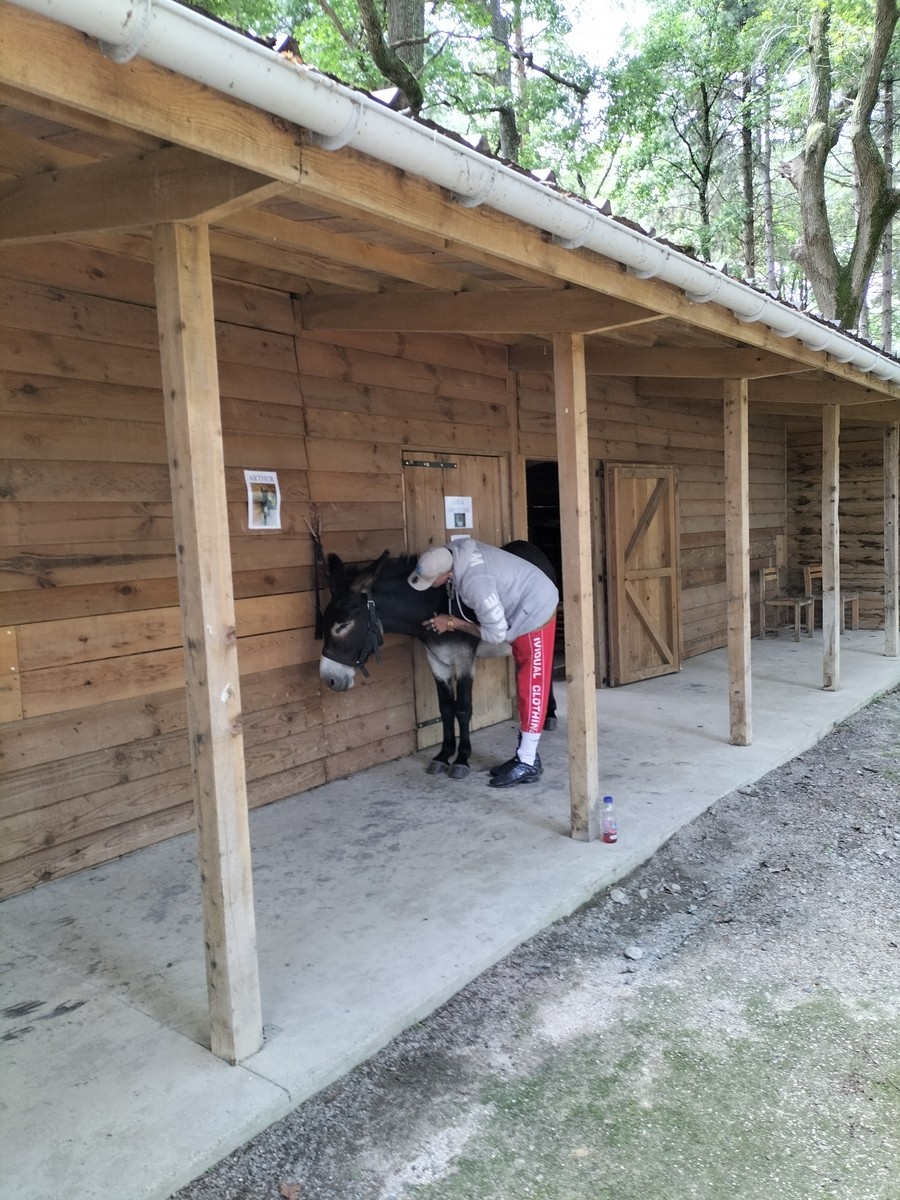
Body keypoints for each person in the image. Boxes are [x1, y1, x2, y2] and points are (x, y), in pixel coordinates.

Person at [408, 537, 559, 788]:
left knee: (531, 686)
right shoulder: (455, 550)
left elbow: (496, 635)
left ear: (446, 574)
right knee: (526, 685)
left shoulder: (475, 584)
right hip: (525, 596)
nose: (429, 585)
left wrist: (453, 623)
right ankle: (525, 755)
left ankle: (528, 763)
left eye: (430, 581)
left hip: (535, 609)